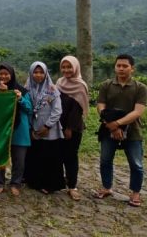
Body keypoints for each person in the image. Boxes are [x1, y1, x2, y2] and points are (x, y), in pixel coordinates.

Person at [94, 54, 147, 207]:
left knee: (136, 164)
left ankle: (135, 193)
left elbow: (138, 111)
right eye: (119, 66)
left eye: (125, 66)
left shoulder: (140, 88)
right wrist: (109, 123)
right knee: (105, 160)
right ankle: (106, 187)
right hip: (107, 129)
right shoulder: (106, 85)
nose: (121, 69)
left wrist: (117, 124)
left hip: (133, 131)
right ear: (115, 67)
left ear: (132, 68)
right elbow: (101, 106)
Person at [23, 61, 65, 194]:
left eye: (41, 72)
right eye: (35, 72)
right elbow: (27, 109)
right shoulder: (27, 89)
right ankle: (34, 181)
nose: (38, 75)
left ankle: (50, 184)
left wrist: (47, 126)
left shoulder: (52, 89)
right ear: (31, 73)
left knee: (50, 156)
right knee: (36, 156)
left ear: (46, 73)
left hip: (50, 130)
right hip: (34, 128)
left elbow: (57, 110)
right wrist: (30, 128)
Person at [0, 63, 31, 196]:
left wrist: (19, 98)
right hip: (1, 130)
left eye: (6, 74)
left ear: (12, 74)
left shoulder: (22, 91)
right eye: (0, 74)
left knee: (19, 159)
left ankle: (15, 183)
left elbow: (29, 109)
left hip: (19, 130)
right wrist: (1, 94)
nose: (3, 76)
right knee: (0, 156)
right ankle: (0, 183)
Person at [56, 55, 88, 201]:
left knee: (71, 156)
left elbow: (77, 110)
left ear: (75, 68)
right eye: (64, 67)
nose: (66, 70)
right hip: (58, 126)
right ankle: (59, 182)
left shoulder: (80, 85)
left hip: (72, 128)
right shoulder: (59, 82)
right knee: (58, 155)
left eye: (69, 67)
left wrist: (69, 128)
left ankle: (72, 186)